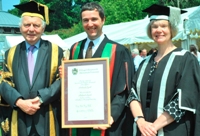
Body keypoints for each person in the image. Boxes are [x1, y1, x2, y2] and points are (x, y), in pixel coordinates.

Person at [59, 2, 134, 136]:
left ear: (103, 19)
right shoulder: (75, 48)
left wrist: (111, 116)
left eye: (94, 19)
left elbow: (123, 90)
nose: (90, 24)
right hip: (78, 120)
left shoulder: (118, 51)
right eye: (85, 20)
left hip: (107, 124)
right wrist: (65, 76)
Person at [126, 4, 200, 136]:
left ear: (172, 29)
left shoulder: (186, 59)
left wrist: (153, 128)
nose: (159, 30)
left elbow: (184, 100)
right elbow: (133, 95)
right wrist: (141, 122)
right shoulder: (145, 62)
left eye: (163, 26)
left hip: (172, 130)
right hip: (143, 129)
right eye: (154, 26)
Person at [0, 1, 67, 136]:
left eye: (36, 25)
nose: (31, 29)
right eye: (27, 25)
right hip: (19, 117)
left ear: (42, 29)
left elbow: (63, 79)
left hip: (47, 116)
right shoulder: (10, 53)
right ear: (20, 28)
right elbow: (4, 82)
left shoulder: (56, 51)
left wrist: (41, 98)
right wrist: (19, 102)